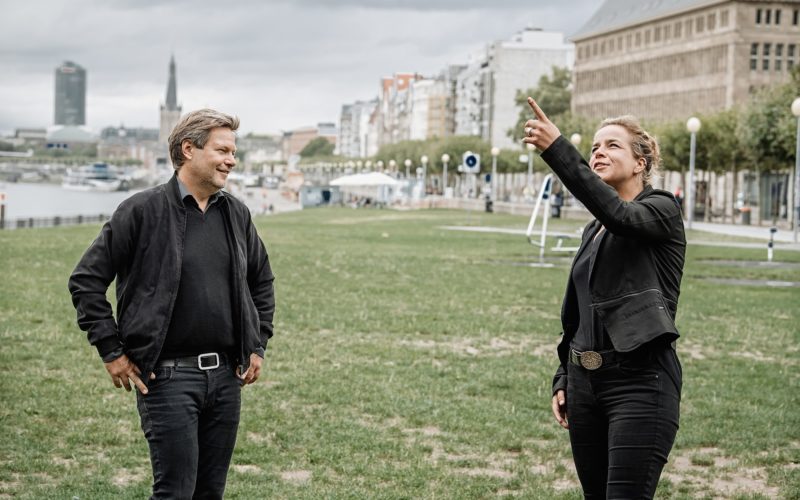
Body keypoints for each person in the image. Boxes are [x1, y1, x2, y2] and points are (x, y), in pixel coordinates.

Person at [68, 109, 276, 499]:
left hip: (226, 380)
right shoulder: (141, 210)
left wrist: (258, 344)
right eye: (222, 150)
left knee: (209, 492)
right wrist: (111, 351)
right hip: (166, 379)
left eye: (234, 151)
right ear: (188, 149)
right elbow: (86, 281)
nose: (232, 159)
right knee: (176, 492)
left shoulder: (236, 214)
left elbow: (261, 280)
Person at [523, 98, 684, 499]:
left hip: (640, 383)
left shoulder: (661, 209)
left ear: (640, 163)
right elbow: (580, 313)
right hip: (585, 386)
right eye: (594, 146)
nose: (599, 151)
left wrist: (557, 148)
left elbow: (621, 216)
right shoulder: (593, 229)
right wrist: (564, 376)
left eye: (612, 145)